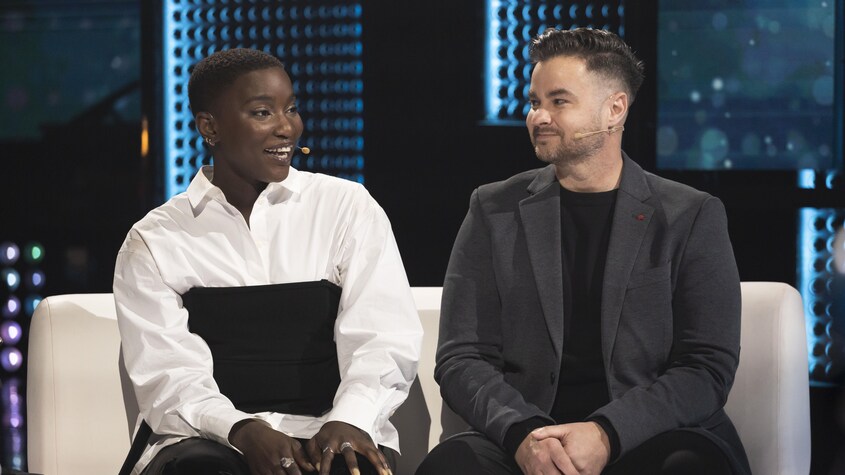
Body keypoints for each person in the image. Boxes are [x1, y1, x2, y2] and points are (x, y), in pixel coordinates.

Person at [416, 28, 751, 475]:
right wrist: (523, 435)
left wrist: (606, 434)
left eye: (558, 101)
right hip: (526, 437)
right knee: (452, 467)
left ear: (614, 109)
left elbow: (706, 367)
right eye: (535, 102)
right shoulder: (492, 209)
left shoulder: (691, 215)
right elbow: (461, 356)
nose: (538, 117)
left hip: (649, 435)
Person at [114, 48, 422, 475]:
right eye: (263, 112)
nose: (286, 127)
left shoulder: (346, 207)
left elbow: (383, 337)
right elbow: (167, 376)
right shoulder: (155, 239)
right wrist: (240, 429)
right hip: (207, 441)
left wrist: (349, 418)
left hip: (328, 430)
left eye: (291, 108)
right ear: (210, 127)